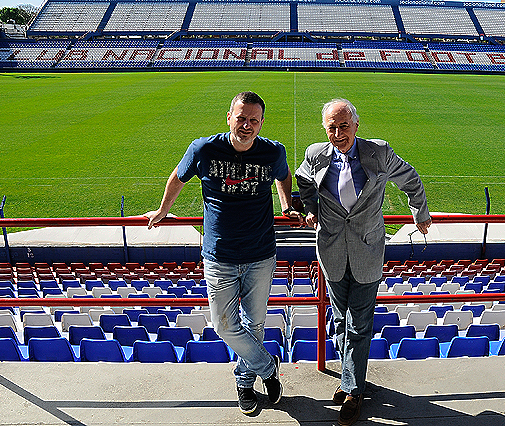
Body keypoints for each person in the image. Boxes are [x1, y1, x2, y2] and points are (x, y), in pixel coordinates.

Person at [145, 91, 302, 415]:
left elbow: (284, 176)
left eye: (253, 120)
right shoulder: (204, 149)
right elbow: (179, 176)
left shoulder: (272, 151)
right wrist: (163, 209)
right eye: (241, 118)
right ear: (229, 117)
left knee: (255, 325)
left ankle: (244, 384)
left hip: (260, 254)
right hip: (219, 255)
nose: (246, 125)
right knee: (224, 326)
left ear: (261, 123)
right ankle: (268, 368)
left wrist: (286, 204)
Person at [295, 99, 432, 426]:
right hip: (331, 251)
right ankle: (349, 376)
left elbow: (410, 179)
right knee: (340, 320)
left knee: (358, 324)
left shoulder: (378, 153)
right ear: (324, 128)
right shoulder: (316, 154)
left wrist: (420, 213)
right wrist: (310, 208)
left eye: (344, 126)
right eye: (332, 127)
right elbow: (301, 180)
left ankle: (353, 392)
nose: (338, 133)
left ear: (356, 125)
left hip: (368, 250)